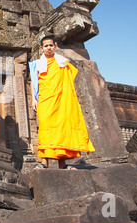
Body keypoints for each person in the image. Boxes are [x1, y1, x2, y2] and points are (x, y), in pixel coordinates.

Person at [28, 35, 95, 169]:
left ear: (55, 46)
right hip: (45, 100)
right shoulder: (36, 64)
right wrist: (34, 99)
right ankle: (44, 162)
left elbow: (68, 81)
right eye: (46, 46)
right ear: (41, 48)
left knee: (61, 129)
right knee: (45, 128)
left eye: (51, 45)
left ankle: (62, 163)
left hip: (61, 101)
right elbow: (33, 82)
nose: (49, 48)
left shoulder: (63, 62)